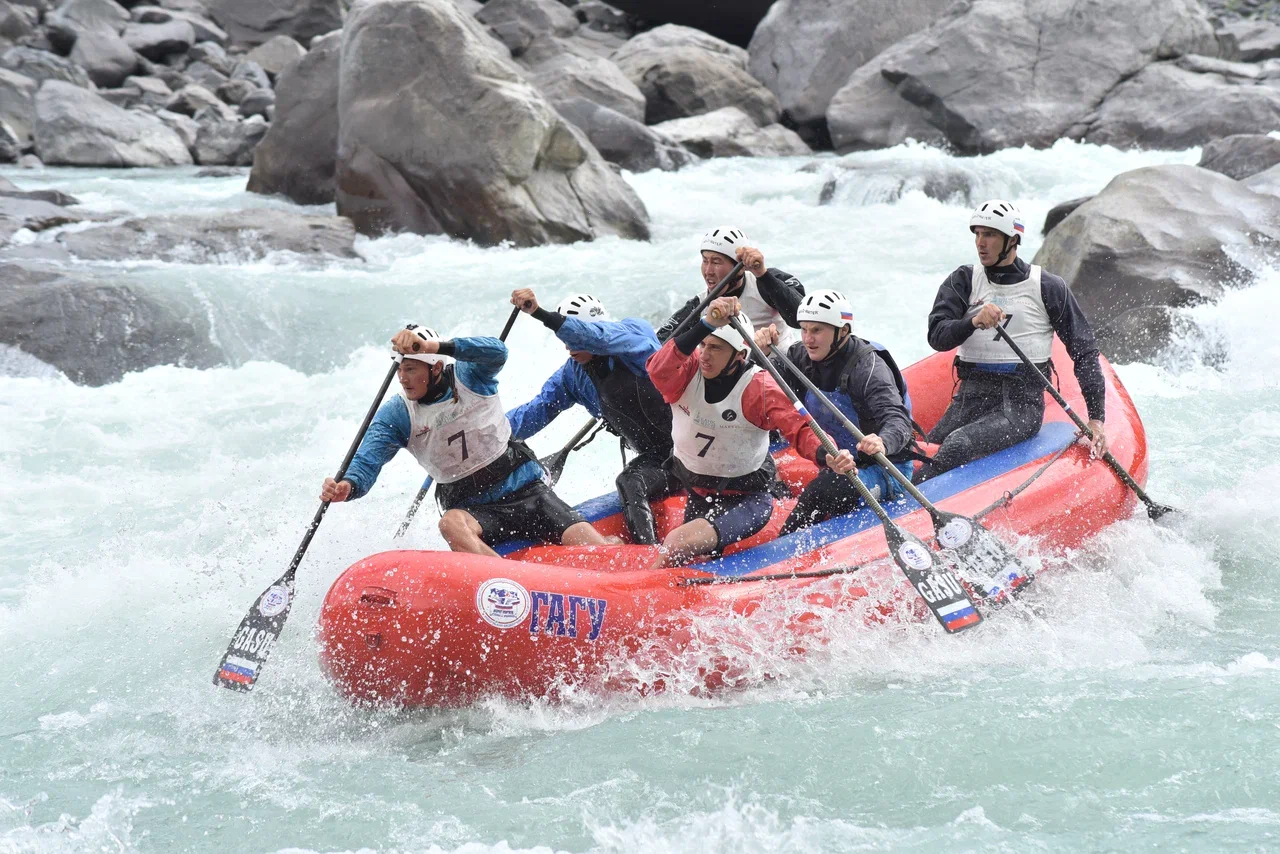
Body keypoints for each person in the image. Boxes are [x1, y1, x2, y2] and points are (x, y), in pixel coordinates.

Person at [319, 323, 612, 556]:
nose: (403, 378)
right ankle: (510, 589)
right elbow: (368, 458)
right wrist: (349, 485)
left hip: (530, 494)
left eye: (411, 369)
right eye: (400, 369)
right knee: (449, 523)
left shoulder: (470, 376)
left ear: (434, 367)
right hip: (476, 512)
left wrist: (436, 346)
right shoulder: (398, 413)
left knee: (593, 546)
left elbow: (497, 351)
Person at [645, 296, 857, 568]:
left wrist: (828, 454)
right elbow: (656, 368)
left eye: (717, 349)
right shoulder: (685, 373)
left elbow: (800, 428)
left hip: (746, 500)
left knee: (676, 544)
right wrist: (706, 324)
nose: (706, 356)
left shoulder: (760, 388)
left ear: (739, 355)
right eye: (704, 346)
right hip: (699, 493)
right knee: (687, 561)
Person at [918, 199, 1108, 482]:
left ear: (1013, 240)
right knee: (921, 454)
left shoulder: (1046, 286)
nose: (981, 243)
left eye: (990, 235)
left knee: (958, 444)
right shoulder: (963, 280)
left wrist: (1096, 419)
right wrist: (971, 322)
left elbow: (1084, 352)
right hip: (970, 398)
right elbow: (937, 337)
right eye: (978, 234)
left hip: (1020, 407)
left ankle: (910, 514)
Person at [505, 289, 675, 544]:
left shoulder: (634, 336)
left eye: (574, 337)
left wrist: (540, 313)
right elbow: (534, 411)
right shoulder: (572, 376)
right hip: (656, 459)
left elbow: (602, 337)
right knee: (630, 480)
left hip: (693, 446)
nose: (568, 346)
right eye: (565, 337)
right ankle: (647, 548)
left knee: (629, 481)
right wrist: (488, 430)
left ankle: (650, 556)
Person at [754, 290, 918, 534]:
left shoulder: (869, 367)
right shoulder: (800, 358)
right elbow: (758, 388)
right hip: (841, 462)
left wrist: (882, 441)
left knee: (822, 491)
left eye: (817, 330)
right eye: (804, 329)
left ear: (842, 331)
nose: (808, 339)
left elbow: (898, 419)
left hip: (886, 468)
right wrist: (760, 352)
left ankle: (785, 554)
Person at [656, 226, 805, 351]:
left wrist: (763, 275)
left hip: (781, 370)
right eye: (705, 261)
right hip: (737, 376)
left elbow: (800, 320)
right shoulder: (699, 305)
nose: (708, 271)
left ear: (739, 268)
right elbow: (659, 346)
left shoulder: (766, 280)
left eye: (716, 262)